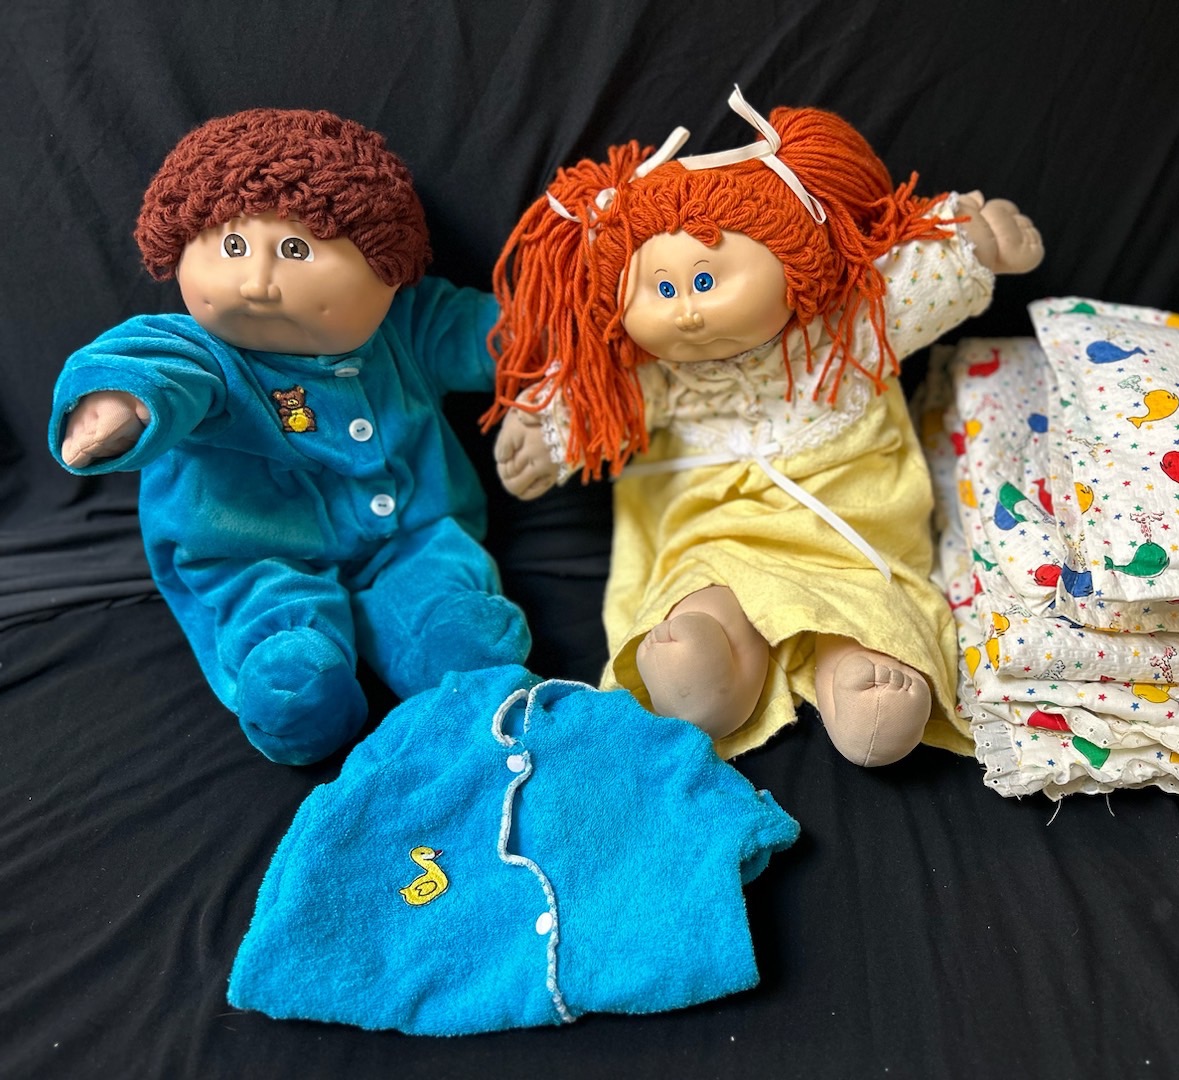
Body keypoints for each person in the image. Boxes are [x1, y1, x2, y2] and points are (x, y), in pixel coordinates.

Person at [485, 88, 1041, 766]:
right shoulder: (663, 375)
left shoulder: (849, 328)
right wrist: (547, 433)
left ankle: (861, 668)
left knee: (876, 599)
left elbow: (914, 281)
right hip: (719, 528)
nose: (687, 310)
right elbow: (603, 400)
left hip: (849, 527)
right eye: (662, 290)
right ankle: (712, 667)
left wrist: (975, 244)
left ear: (791, 260)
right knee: (702, 587)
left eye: (705, 280)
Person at [49, 108, 529, 765]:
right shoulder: (209, 354)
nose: (256, 283)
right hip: (257, 549)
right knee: (287, 662)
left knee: (457, 626)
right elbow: (154, 363)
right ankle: (295, 668)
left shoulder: (406, 327)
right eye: (234, 248)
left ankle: (443, 636)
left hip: (413, 534)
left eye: (295, 251)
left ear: (385, 266)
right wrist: (122, 399)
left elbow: (487, 332)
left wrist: (559, 334)